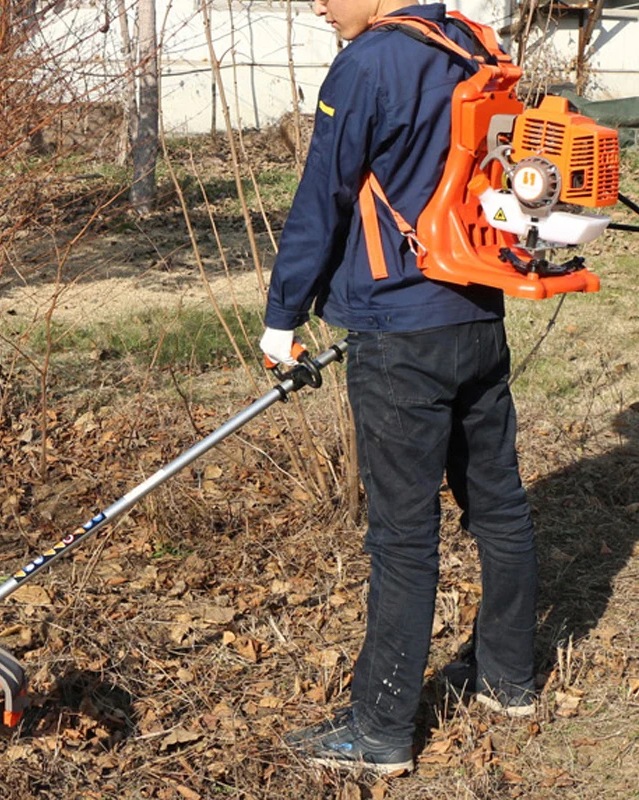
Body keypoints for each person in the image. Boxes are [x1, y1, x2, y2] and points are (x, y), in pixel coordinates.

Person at [259, 0, 538, 775]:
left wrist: (282, 317)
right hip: (476, 313)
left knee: (403, 537)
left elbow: (325, 195)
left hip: (399, 332)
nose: (316, 4)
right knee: (500, 504)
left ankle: (379, 731)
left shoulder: (370, 62)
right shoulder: (467, 43)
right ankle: (510, 678)